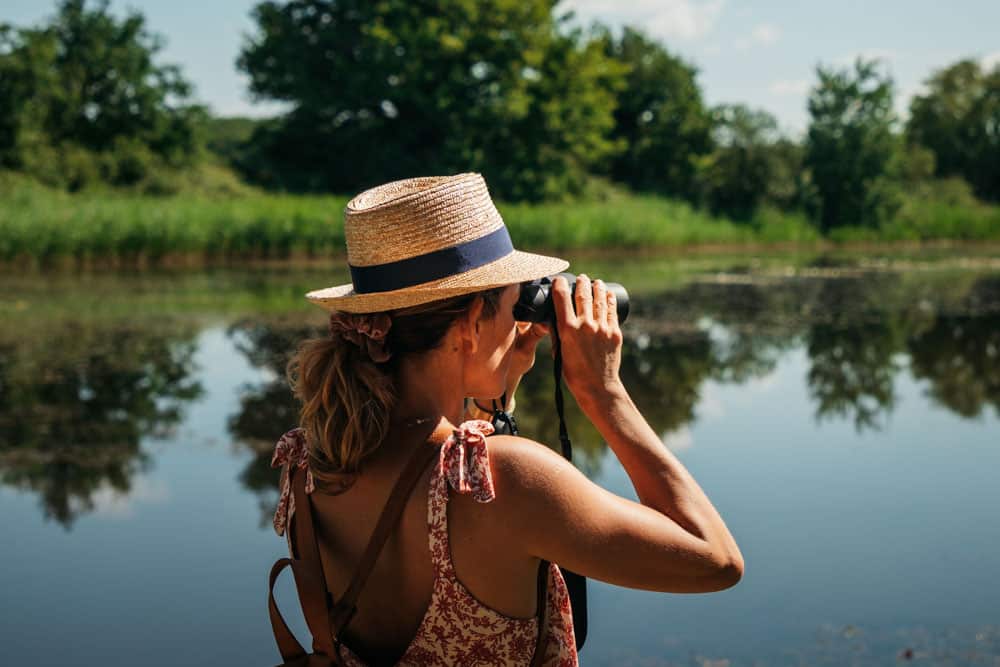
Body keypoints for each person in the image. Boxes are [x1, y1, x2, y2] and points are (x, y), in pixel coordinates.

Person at [272, 173, 744, 666]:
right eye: (514, 300)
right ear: (473, 322)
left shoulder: (310, 459)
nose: (520, 321)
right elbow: (715, 560)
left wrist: (494, 400)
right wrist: (603, 392)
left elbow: (435, 490)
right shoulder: (509, 479)